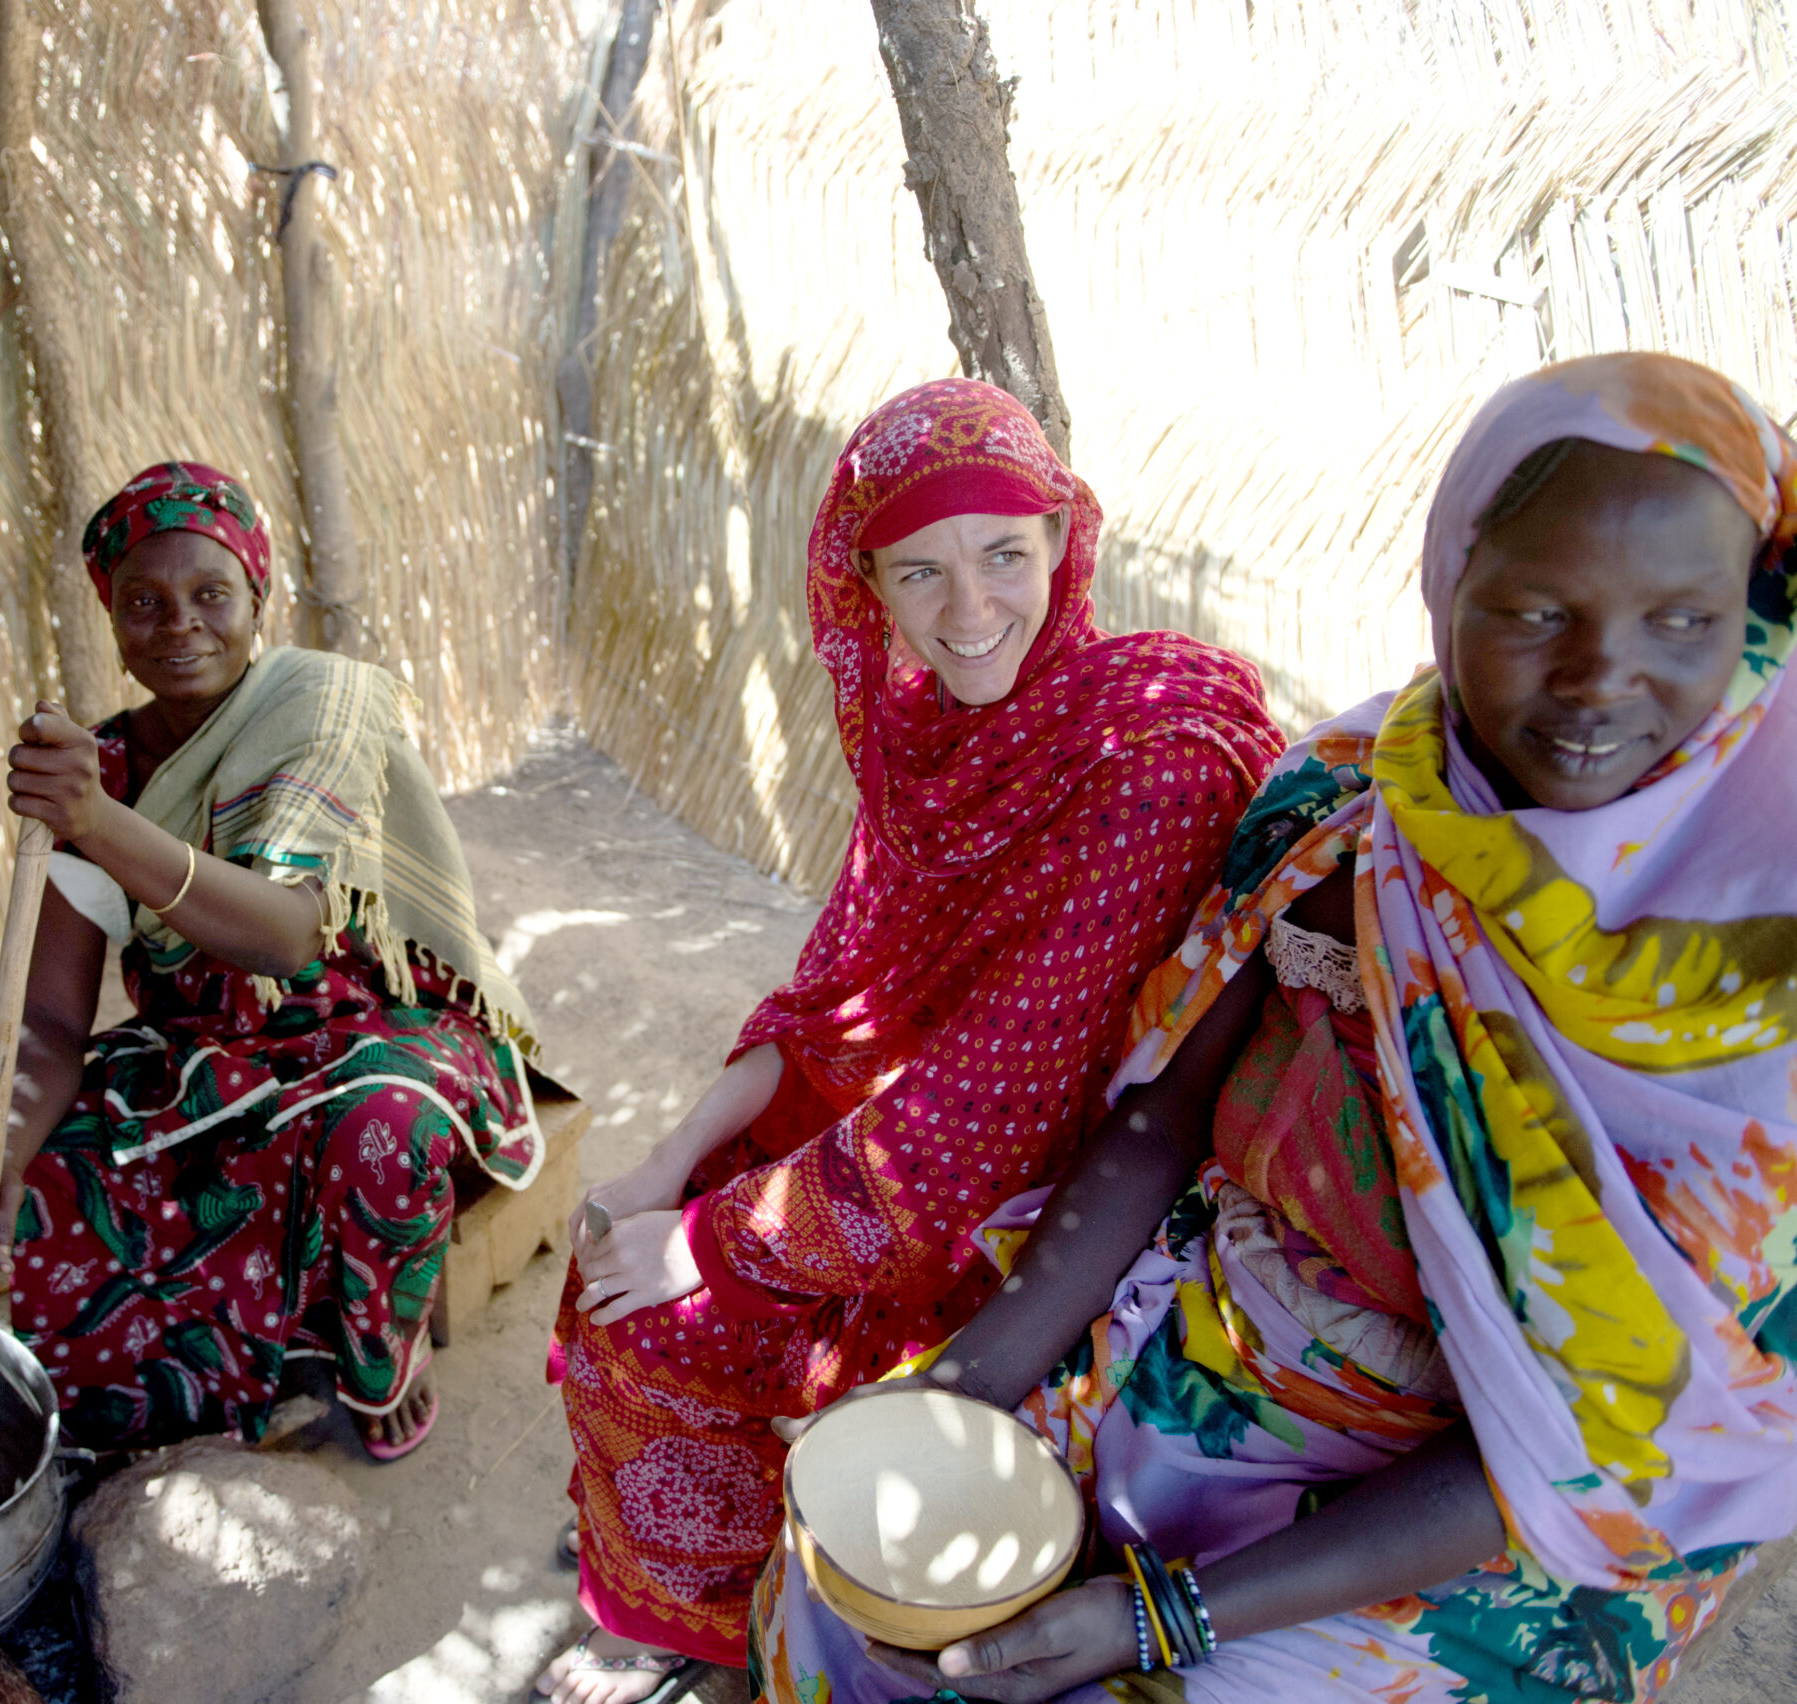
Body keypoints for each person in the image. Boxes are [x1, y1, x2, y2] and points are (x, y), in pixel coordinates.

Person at [751, 351, 1797, 1702]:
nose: (1596, 676)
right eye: (1533, 609)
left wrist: (1156, 1620)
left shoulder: (1775, 1016)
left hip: (1491, 1517)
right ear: (1449, 586)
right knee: (851, 1594)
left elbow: (1595, 1459)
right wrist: (967, 1384)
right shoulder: (1345, 811)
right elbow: (1162, 1120)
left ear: (1754, 623)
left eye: (1680, 621)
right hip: (1224, 1332)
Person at [536, 381, 1285, 1703]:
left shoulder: (1148, 754)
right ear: (866, 587)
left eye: (1006, 552)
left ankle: (751, 1635)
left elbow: (994, 1112)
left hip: (1071, 1200)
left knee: (654, 1334)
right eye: (919, 571)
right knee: (609, 1278)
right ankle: (738, 1619)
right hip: (901, 1138)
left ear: (1064, 540)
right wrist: (667, 1169)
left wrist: (710, 1243)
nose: (971, 608)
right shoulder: (922, 729)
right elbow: (836, 991)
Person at [0, 460, 542, 1459]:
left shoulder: (317, 708)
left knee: (380, 1134)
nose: (180, 625)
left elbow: (287, 935)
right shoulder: (98, 766)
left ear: (258, 599)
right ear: (114, 624)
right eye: (145, 603)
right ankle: (187, 1381)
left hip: (373, 1028)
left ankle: (377, 1353)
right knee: (47, 1180)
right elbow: (46, 1024)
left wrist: (96, 821)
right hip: (204, 1051)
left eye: (211, 593)